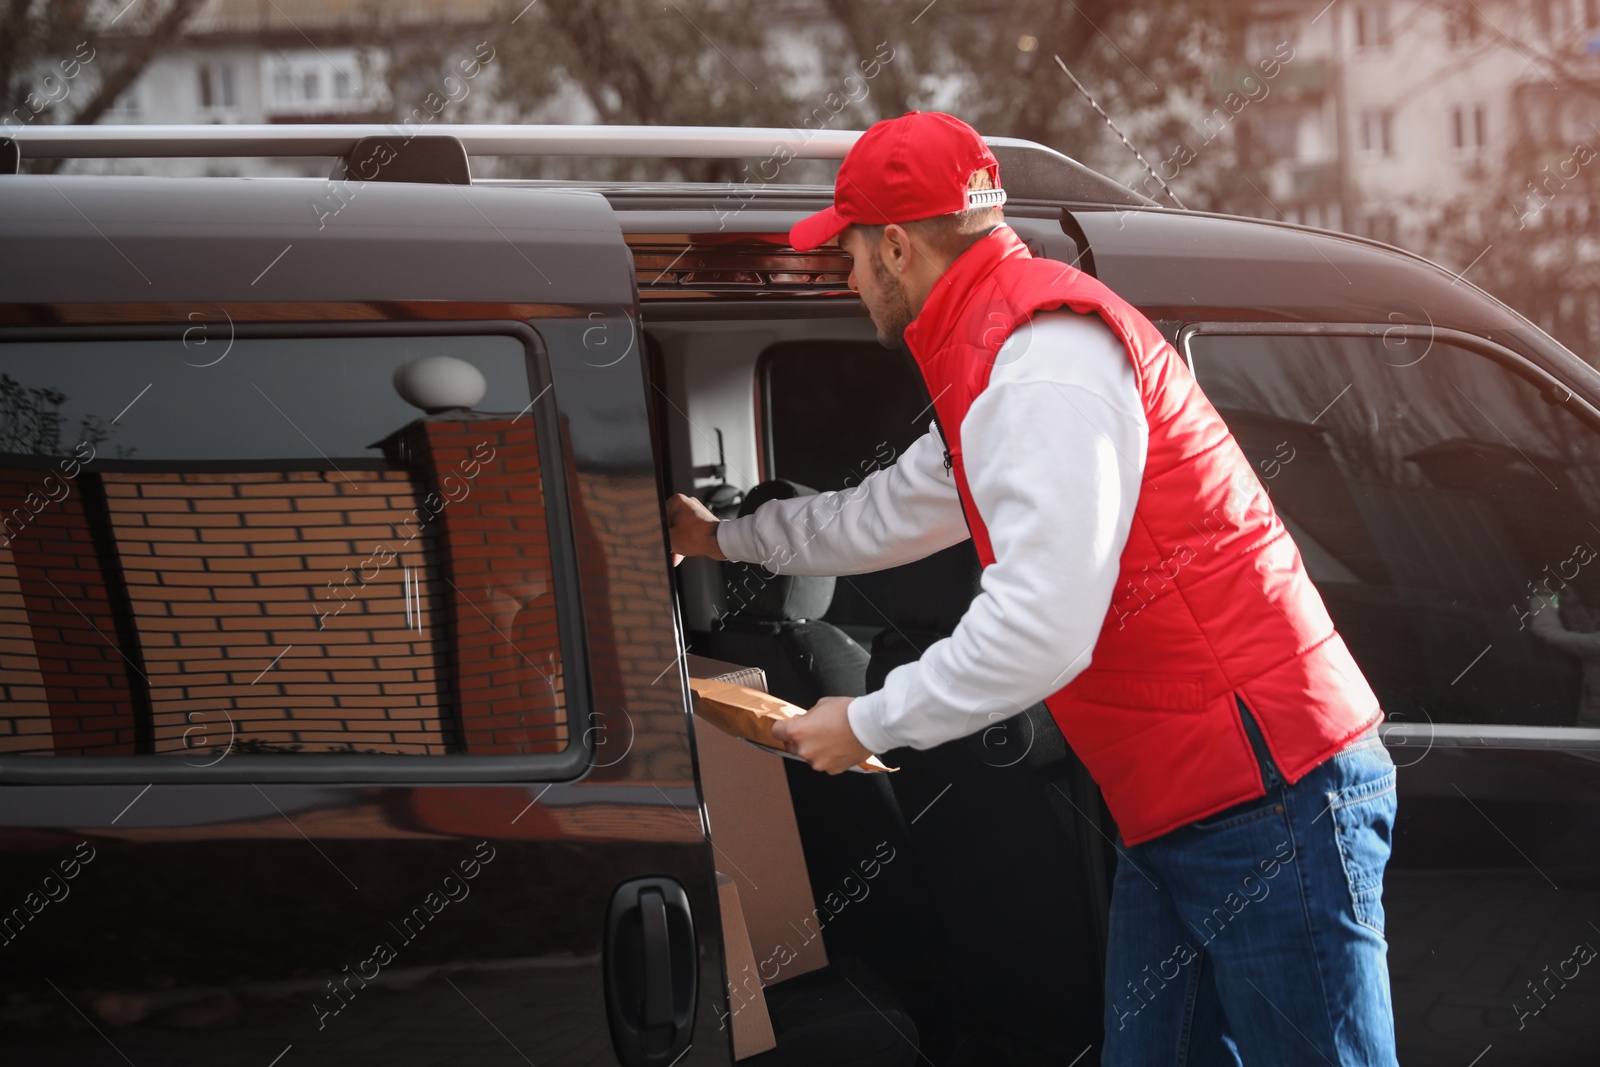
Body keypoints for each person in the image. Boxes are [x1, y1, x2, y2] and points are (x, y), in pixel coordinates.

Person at [666, 111, 1398, 1066]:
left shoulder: (1042, 364)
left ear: (897, 246)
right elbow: (883, 513)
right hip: (1181, 798)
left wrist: (868, 722)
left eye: (848, 252)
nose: (844, 276)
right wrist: (720, 534)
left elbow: (1044, 625)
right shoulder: (994, 352)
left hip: (1269, 789)